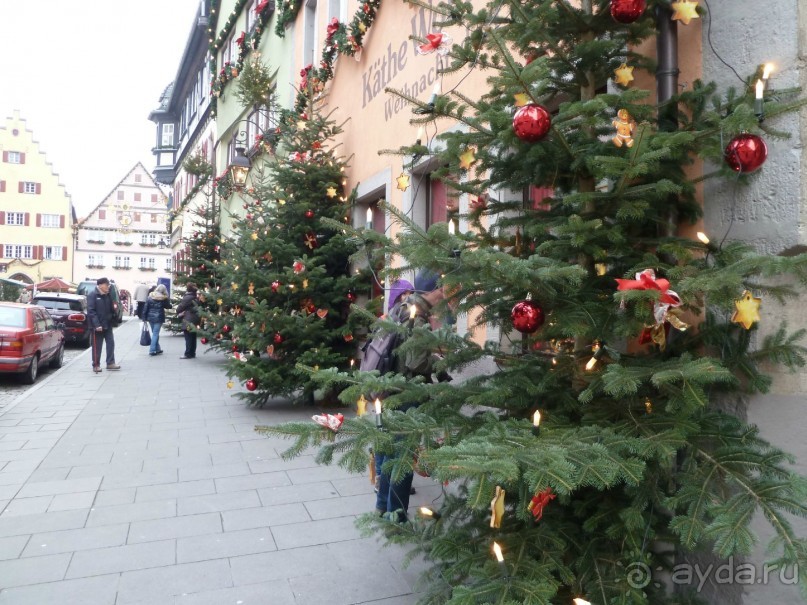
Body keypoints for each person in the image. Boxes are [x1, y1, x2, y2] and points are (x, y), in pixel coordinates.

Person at [375, 270, 446, 522]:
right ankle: (397, 516)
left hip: (390, 388)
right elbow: (416, 363)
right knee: (403, 457)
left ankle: (383, 506)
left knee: (390, 452)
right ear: (436, 290)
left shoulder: (403, 306)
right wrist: (437, 362)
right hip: (408, 393)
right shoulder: (419, 317)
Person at [87, 277, 121, 373]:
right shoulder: (93, 295)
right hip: (97, 326)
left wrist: (114, 316)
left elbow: (111, 308)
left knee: (110, 343)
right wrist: (97, 324)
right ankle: (96, 365)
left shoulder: (108, 295)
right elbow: (91, 311)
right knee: (97, 346)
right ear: (100, 285)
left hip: (108, 324)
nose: (108, 287)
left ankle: (110, 363)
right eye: (107, 285)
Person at [141, 284, 172, 356]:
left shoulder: (150, 296)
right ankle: (152, 350)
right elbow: (168, 306)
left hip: (150, 318)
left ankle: (158, 349)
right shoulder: (164, 298)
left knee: (155, 333)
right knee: (155, 334)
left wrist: (144, 318)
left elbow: (146, 308)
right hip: (159, 318)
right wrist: (168, 300)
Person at [176, 282, 200, 359]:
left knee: (188, 336)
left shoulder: (188, 297)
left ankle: (188, 353)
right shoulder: (196, 296)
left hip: (188, 319)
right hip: (195, 318)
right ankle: (192, 352)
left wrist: (178, 311)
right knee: (193, 336)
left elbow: (180, 307)